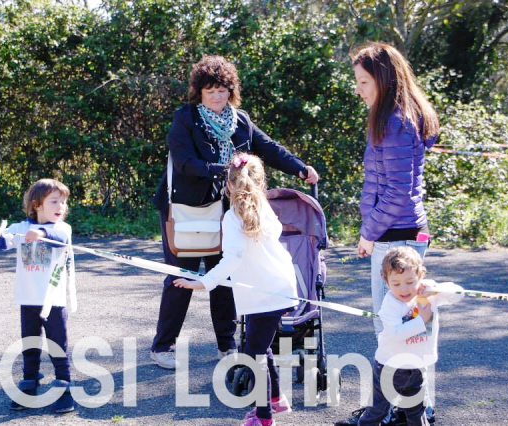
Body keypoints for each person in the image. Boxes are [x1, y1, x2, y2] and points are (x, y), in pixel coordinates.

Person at [150, 54, 319, 370]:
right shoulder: (185, 118)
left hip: (228, 210)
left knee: (226, 276)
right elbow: (185, 162)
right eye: (210, 90)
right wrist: (225, 170)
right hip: (188, 209)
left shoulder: (241, 120)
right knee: (182, 277)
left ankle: (226, 345)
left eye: (222, 90)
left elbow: (269, 148)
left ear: (231, 90)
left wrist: (300, 168)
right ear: (199, 92)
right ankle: (163, 346)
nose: (216, 96)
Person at [338, 41, 440, 425]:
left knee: (390, 330)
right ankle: (411, 407)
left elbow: (397, 193)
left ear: (382, 80)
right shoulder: (398, 117)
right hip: (404, 232)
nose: (358, 89)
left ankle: (388, 411)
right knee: (403, 329)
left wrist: (368, 233)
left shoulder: (394, 122)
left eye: (363, 82)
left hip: (395, 235)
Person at [174, 153, 296, 426]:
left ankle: (263, 417)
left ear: (228, 185)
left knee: (255, 354)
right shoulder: (263, 208)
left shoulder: (232, 217)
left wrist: (203, 282)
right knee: (260, 347)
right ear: (260, 183)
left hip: (265, 294)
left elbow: (232, 258)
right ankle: (276, 399)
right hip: (278, 288)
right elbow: (270, 236)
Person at [336, 246, 463, 426]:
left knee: (417, 412)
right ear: (387, 283)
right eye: (396, 284)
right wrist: (422, 319)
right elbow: (397, 333)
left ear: (421, 276)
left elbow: (458, 294)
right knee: (378, 411)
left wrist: (435, 289)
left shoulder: (428, 293)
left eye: (410, 281)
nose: (404, 289)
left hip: (417, 366)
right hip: (390, 366)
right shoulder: (390, 304)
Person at [0, 178, 76, 413]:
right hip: (28, 299)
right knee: (30, 344)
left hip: (53, 301)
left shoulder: (62, 228)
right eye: (54, 201)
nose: (61, 207)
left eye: (63, 202)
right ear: (37, 205)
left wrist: (41, 232)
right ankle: (29, 383)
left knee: (58, 345)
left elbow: (60, 240)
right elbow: (3, 243)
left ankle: (64, 387)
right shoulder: (20, 228)